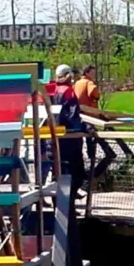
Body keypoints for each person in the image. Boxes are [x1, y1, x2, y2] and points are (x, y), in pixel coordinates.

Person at [52, 64, 87, 193]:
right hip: (70, 139)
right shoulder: (68, 91)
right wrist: (84, 127)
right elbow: (72, 116)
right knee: (76, 176)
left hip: (55, 139)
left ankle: (61, 207)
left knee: (58, 175)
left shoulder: (54, 90)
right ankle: (69, 208)